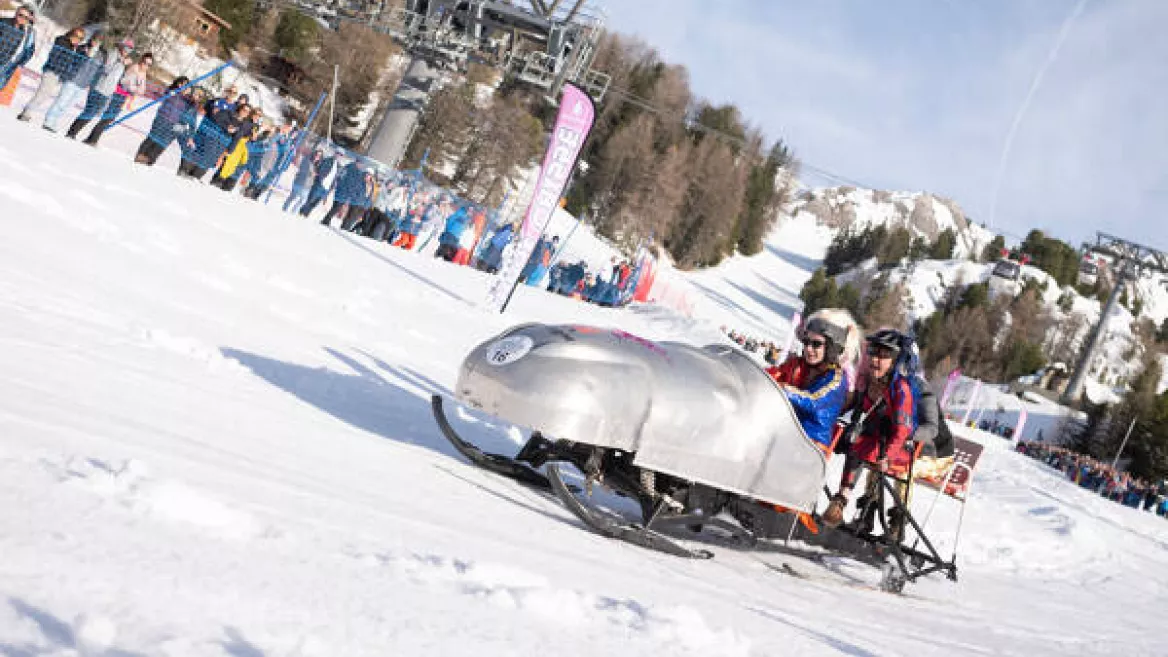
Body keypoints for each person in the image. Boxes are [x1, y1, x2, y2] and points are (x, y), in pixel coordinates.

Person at [823, 329, 918, 529]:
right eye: (874, 352)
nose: (875, 359)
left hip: (894, 448)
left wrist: (889, 456)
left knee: (858, 446)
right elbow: (853, 404)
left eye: (883, 355)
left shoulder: (901, 390)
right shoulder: (869, 381)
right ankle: (835, 500)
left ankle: (841, 500)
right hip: (871, 437)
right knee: (841, 438)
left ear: (895, 361)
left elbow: (902, 431)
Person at [766, 309, 860, 448]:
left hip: (809, 447)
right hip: (782, 436)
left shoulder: (837, 379)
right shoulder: (798, 365)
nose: (808, 348)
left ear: (832, 347)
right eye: (806, 342)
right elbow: (774, 375)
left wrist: (782, 388)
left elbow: (813, 400)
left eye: (816, 344)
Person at [66, 38, 133, 140]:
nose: (127, 51)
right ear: (121, 46)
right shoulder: (113, 54)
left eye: (130, 50)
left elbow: (117, 77)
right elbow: (106, 69)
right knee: (89, 112)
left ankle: (73, 132)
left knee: (92, 113)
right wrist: (121, 63)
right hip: (99, 87)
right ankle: (71, 132)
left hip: (107, 91)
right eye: (126, 48)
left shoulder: (122, 60)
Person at [82, 51, 151, 146]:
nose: (146, 66)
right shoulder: (134, 68)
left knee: (110, 119)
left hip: (125, 97)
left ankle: (92, 138)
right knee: (107, 117)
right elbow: (124, 81)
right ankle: (92, 139)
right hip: (118, 93)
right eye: (145, 63)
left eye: (149, 64)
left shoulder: (143, 74)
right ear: (141, 61)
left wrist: (135, 88)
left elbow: (142, 90)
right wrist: (134, 87)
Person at [18, 26, 84, 123]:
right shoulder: (63, 41)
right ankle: (26, 112)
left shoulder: (73, 47)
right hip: (52, 71)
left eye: (80, 38)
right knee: (42, 93)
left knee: (45, 95)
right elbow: (58, 55)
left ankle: (27, 111)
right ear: (71, 34)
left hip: (59, 74)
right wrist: (71, 50)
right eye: (76, 36)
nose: (77, 39)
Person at [43, 30, 103, 132]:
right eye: (94, 39)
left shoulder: (100, 55)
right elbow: (73, 61)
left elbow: (96, 70)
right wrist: (85, 55)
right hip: (72, 79)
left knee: (67, 105)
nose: (95, 42)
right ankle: (48, 120)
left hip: (83, 84)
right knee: (61, 101)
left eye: (98, 41)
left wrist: (90, 83)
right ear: (91, 39)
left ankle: (54, 122)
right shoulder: (81, 48)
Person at [133, 76, 192, 165]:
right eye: (182, 84)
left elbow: (191, 107)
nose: (183, 86)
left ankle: (150, 159)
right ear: (178, 84)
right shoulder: (172, 92)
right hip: (162, 118)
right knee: (153, 137)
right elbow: (163, 94)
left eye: (186, 85)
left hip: (172, 123)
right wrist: (173, 92)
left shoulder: (186, 100)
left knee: (161, 142)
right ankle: (140, 155)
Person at [0, 4, 37, 94]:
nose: (22, 18)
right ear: (16, 13)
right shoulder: (3, 22)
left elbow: (30, 50)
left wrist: (21, 63)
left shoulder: (27, 32)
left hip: (10, 64)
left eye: (26, 17)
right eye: (20, 15)